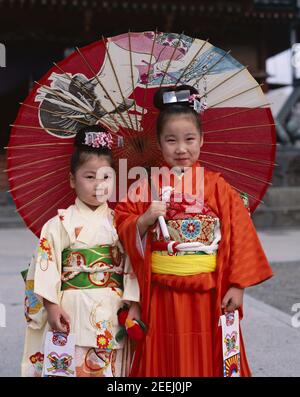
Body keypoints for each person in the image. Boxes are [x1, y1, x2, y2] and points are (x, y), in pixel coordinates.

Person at [115, 85, 273, 377]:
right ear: (159, 144)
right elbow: (122, 225)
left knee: (209, 354)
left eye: (189, 139)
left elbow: (241, 234)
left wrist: (237, 286)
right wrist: (144, 220)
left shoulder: (218, 187)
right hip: (161, 292)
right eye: (171, 140)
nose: (181, 149)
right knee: (164, 355)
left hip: (209, 291)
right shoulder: (145, 187)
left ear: (201, 140)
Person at [21, 125, 140, 377]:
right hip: (70, 309)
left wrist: (134, 304)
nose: (99, 184)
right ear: (73, 179)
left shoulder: (122, 223)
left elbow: (132, 267)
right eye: (89, 176)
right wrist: (52, 307)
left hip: (112, 308)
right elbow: (45, 266)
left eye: (106, 177)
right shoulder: (57, 225)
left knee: (112, 370)